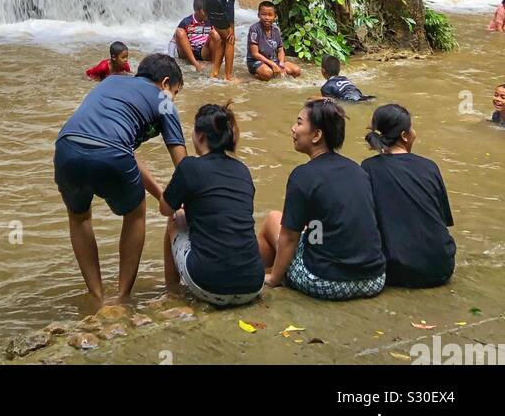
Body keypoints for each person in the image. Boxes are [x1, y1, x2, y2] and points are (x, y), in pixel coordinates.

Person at [54, 53, 186, 300]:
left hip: (66, 147)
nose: (174, 99)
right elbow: (185, 168)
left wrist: (161, 195)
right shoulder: (163, 100)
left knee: (79, 218)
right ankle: (122, 298)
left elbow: (126, 151)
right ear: (166, 83)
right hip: (112, 152)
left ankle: (98, 298)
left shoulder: (110, 82)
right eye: (176, 92)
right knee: (135, 213)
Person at [258, 99, 386, 299]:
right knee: (311, 229)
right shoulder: (357, 170)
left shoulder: (302, 176)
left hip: (326, 281)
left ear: (317, 135)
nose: (293, 128)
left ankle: (257, 272)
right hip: (374, 279)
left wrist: (274, 279)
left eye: (299, 123)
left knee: (273, 219)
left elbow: (289, 236)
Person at [159, 103, 265, 307]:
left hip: (207, 284)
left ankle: (171, 291)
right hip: (253, 284)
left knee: (175, 217)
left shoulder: (189, 166)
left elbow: (165, 208)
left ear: (200, 136)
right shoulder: (242, 170)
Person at [361, 104, 455, 289]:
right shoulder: (429, 167)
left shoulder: (368, 167)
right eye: (412, 128)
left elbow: (366, 223)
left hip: (395, 271)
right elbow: (442, 220)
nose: (414, 132)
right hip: (441, 267)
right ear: (404, 136)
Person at [205, 0, 261, 82]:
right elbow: (230, 4)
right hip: (215, 5)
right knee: (230, 40)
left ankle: (214, 73)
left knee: (223, 40)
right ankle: (228, 77)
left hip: (208, 3)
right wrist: (232, 28)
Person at [246, 1, 302, 80]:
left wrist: (281, 64)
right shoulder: (254, 29)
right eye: (263, 14)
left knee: (296, 70)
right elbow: (255, 54)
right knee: (267, 74)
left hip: (273, 60)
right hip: (256, 61)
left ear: (275, 16)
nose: (267, 18)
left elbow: (280, 49)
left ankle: (274, 72)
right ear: (258, 15)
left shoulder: (276, 29)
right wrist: (273, 64)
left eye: (270, 15)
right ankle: (255, 76)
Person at [167, 0, 221, 74]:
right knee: (179, 32)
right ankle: (195, 64)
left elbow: (220, 40)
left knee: (216, 34)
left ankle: (214, 64)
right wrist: (170, 59)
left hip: (204, 51)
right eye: (205, 11)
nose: (207, 13)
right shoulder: (186, 22)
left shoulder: (210, 21)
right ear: (197, 11)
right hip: (188, 51)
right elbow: (172, 42)